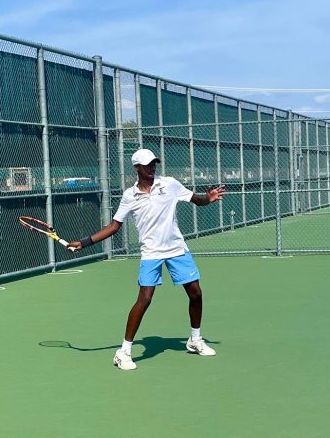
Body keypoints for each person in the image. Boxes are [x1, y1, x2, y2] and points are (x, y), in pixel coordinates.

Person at [67, 148, 226, 370]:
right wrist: (84, 242)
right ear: (137, 168)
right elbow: (114, 226)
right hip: (151, 253)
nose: (153, 168)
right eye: (148, 165)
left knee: (196, 293)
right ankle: (123, 352)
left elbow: (195, 199)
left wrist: (208, 198)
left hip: (177, 249)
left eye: (154, 164)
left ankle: (195, 340)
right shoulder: (129, 196)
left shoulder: (169, 184)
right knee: (145, 298)